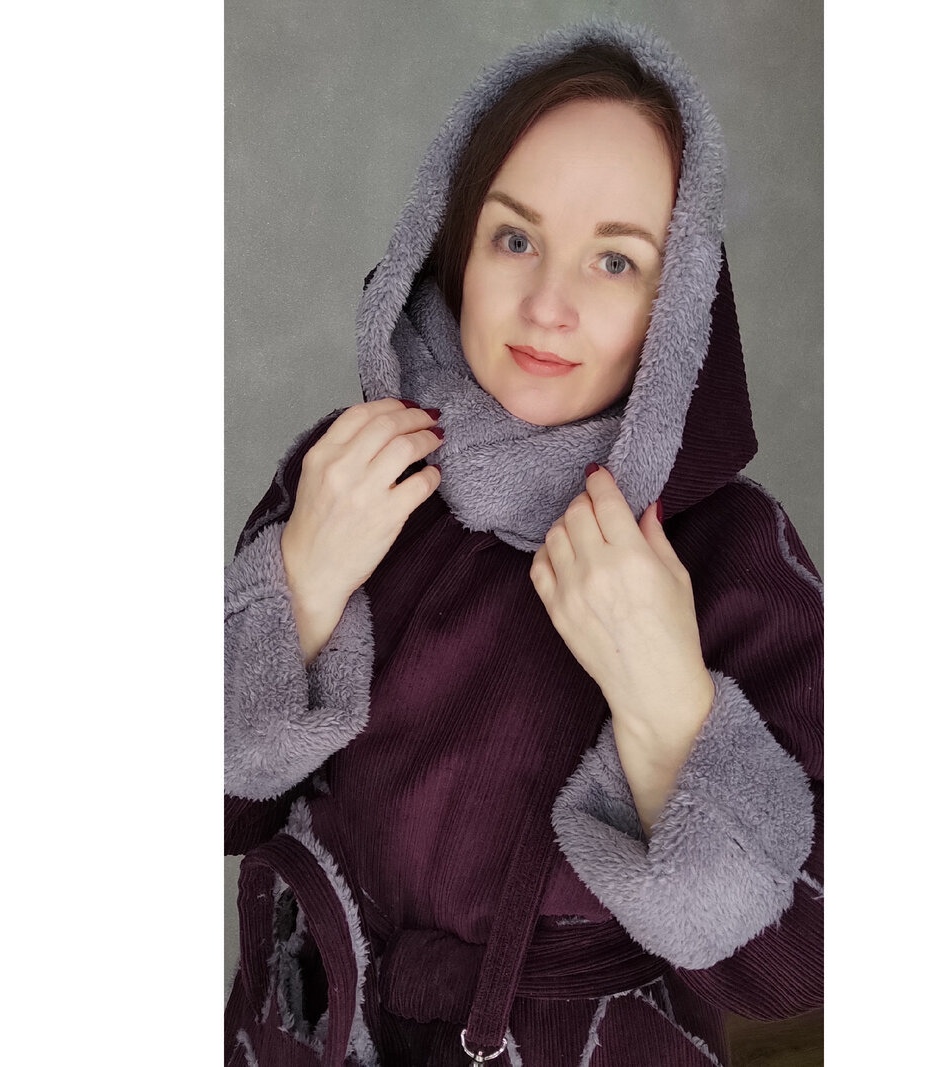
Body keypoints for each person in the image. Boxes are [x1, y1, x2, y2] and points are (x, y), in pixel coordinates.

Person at [225, 21, 822, 1067]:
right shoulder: (349, 471)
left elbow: (794, 967)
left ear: (677, 303)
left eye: (615, 260)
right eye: (514, 238)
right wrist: (301, 589)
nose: (548, 304)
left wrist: (666, 704)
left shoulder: (735, 554)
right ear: (453, 241)